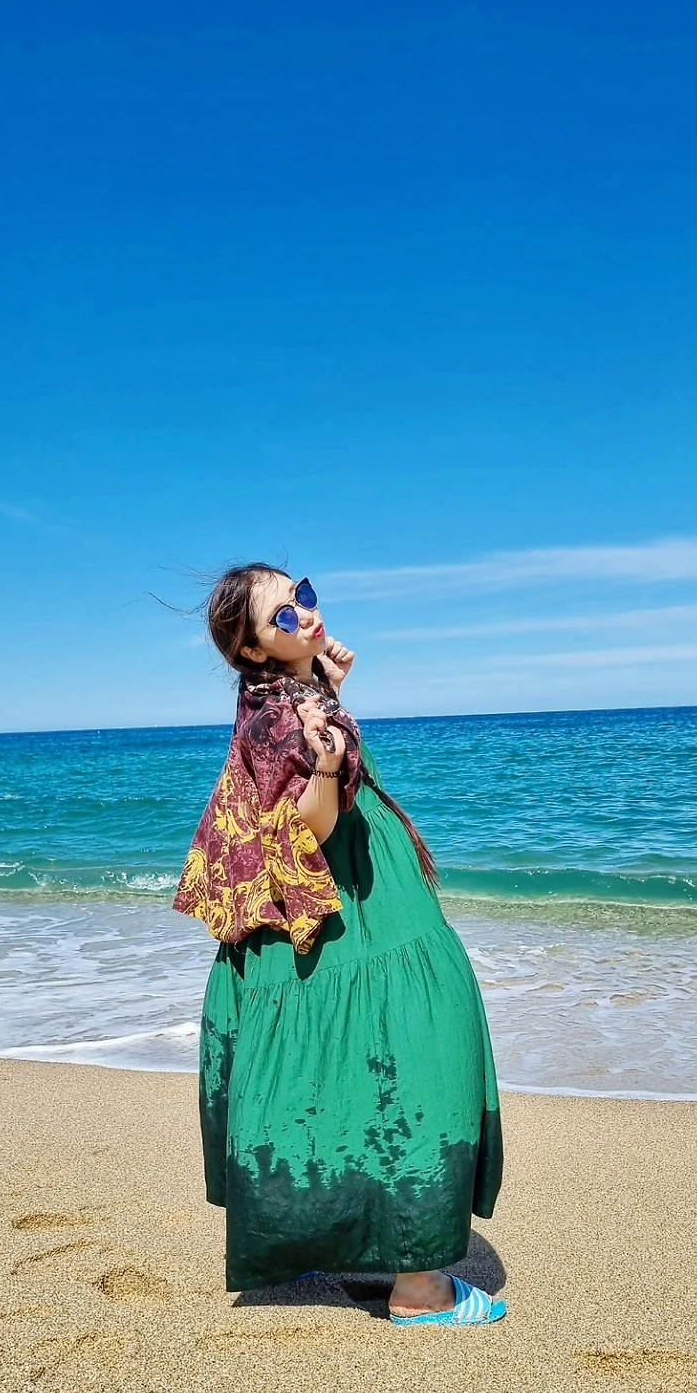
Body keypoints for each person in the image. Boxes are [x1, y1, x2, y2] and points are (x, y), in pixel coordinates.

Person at [174, 564, 505, 1326]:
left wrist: (328, 688)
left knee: (339, 1069)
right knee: (418, 1063)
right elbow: (310, 826)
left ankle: (323, 1230)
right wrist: (325, 758)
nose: (305, 616)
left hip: (354, 908)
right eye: (283, 618)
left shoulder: (280, 698)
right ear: (253, 650)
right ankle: (420, 1289)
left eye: (304, 596)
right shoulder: (279, 720)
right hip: (355, 909)